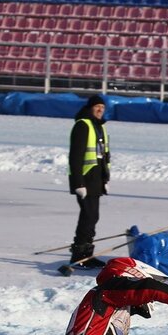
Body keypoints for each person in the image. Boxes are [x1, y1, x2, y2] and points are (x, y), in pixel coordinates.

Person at [67, 94, 111, 269]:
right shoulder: (83, 125)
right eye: (97, 106)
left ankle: (87, 253)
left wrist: (105, 179)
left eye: (103, 107)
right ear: (89, 108)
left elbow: (104, 156)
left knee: (93, 217)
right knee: (88, 216)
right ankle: (79, 254)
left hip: (96, 179)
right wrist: (78, 183)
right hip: (85, 179)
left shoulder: (99, 127)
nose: (100, 110)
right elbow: (75, 156)